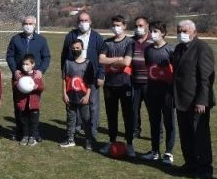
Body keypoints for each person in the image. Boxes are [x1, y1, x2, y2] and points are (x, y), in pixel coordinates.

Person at [172, 19, 216, 179]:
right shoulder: (178, 49)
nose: (181, 34)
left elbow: (206, 78)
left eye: (185, 31)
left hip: (197, 101)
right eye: (179, 31)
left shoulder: (202, 49)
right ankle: (190, 163)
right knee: (185, 134)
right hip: (181, 99)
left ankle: (205, 167)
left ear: (194, 32)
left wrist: (202, 100)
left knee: (200, 135)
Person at [60, 10, 105, 141]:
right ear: (77, 22)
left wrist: (101, 74)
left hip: (91, 75)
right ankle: (77, 127)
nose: (83, 23)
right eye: (81, 21)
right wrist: (64, 73)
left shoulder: (97, 37)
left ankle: (92, 129)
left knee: (92, 104)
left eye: (86, 20)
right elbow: (64, 56)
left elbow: (101, 58)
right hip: (74, 76)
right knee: (75, 102)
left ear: (90, 22)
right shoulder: (70, 36)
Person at [6, 16, 51, 141]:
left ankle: (34, 133)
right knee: (19, 106)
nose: (28, 25)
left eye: (30, 23)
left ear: (35, 25)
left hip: (34, 79)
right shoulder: (15, 39)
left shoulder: (41, 40)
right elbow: (10, 56)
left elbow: (46, 57)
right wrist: (15, 70)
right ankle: (21, 132)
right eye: (25, 23)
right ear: (22, 25)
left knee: (33, 106)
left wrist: (41, 71)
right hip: (18, 78)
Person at [98, 15, 135, 157]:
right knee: (111, 115)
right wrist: (118, 59)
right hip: (109, 84)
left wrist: (111, 61)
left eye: (119, 25)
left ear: (124, 26)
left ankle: (130, 143)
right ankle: (111, 141)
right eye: (114, 25)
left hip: (125, 84)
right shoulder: (107, 42)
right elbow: (101, 59)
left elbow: (126, 62)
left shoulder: (130, 43)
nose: (116, 27)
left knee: (127, 114)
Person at [142, 21, 176, 164]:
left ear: (163, 32)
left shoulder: (170, 50)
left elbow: (176, 72)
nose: (152, 33)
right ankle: (155, 150)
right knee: (154, 122)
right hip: (152, 90)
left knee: (169, 122)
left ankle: (168, 152)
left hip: (167, 92)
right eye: (151, 30)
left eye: (156, 31)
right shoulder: (148, 50)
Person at [61, 39, 97, 150]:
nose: (75, 50)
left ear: (82, 48)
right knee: (71, 119)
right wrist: (64, 93)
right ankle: (70, 139)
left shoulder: (88, 63)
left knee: (86, 119)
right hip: (70, 96)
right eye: (73, 48)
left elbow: (90, 82)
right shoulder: (67, 62)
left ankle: (88, 140)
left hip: (83, 97)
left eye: (77, 48)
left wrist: (87, 96)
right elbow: (64, 79)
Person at [13, 53, 45, 146]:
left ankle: (32, 137)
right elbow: (14, 85)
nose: (25, 66)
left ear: (33, 64)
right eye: (23, 64)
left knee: (33, 121)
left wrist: (37, 87)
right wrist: (17, 85)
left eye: (27, 64)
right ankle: (25, 136)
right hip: (23, 104)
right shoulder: (20, 76)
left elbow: (42, 87)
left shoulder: (36, 76)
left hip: (33, 104)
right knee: (24, 121)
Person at [130, 16, 152, 139]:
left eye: (141, 25)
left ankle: (158, 133)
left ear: (147, 25)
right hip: (134, 81)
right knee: (134, 109)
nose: (138, 28)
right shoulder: (131, 41)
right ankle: (135, 130)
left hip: (149, 82)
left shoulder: (153, 41)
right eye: (136, 26)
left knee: (152, 110)